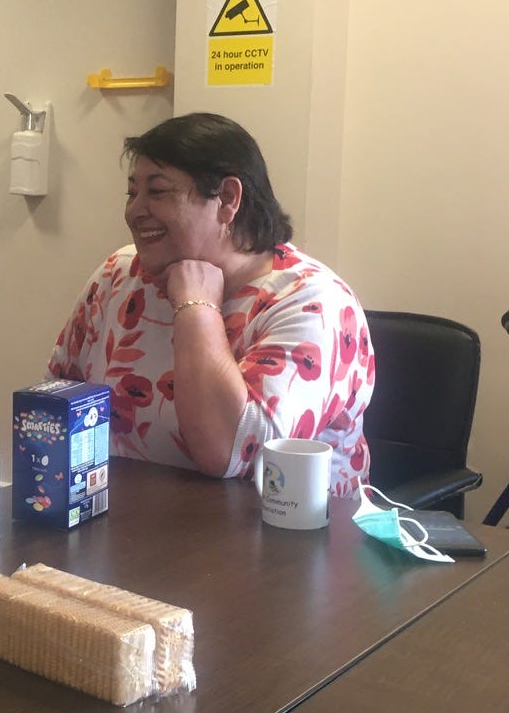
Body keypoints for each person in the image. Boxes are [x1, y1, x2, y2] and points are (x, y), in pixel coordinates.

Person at [47, 113, 373, 498]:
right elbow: (58, 407)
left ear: (228, 200)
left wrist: (196, 306)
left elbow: (233, 454)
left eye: (158, 192)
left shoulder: (315, 303)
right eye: (132, 192)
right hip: (134, 529)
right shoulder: (118, 275)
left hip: (289, 544)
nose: (135, 211)